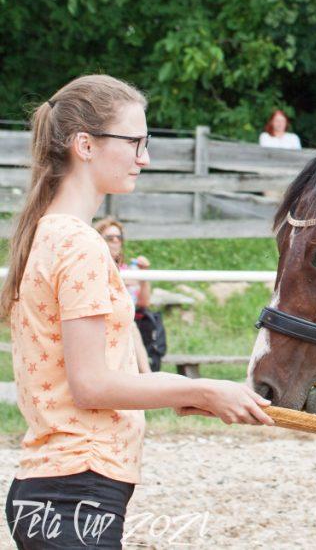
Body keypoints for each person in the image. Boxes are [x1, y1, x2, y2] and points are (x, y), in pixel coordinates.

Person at [1, 75, 273, 549]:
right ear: (85, 145)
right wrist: (202, 388)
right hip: (74, 490)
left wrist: (176, 394)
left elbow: (89, 376)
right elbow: (91, 385)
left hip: (60, 488)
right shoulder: (80, 245)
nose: (144, 157)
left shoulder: (50, 234)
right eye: (134, 142)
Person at [94, 217, 165, 372]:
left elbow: (144, 303)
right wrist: (121, 283)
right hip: (107, 321)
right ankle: (147, 375)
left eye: (118, 237)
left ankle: (146, 375)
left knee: (131, 325)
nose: (115, 241)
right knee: (130, 326)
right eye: (110, 237)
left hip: (128, 320)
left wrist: (143, 276)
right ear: (99, 240)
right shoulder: (95, 267)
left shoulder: (128, 269)